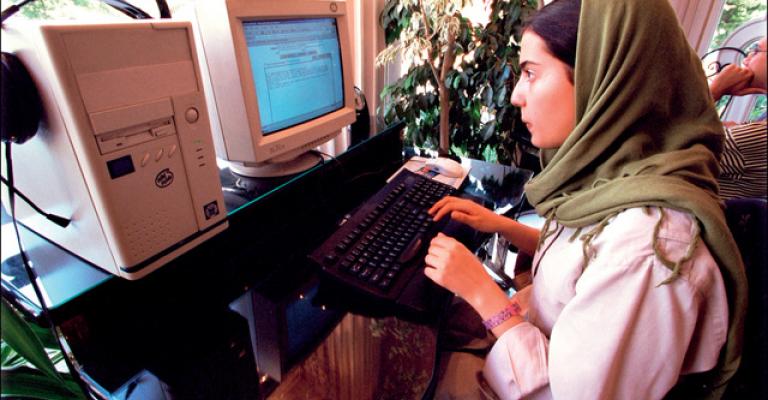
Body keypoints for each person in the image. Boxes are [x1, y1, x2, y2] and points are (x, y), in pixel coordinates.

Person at [424, 0, 747, 399]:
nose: (516, 96)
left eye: (531, 73)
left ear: (600, 79)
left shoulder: (650, 248)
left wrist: (482, 293)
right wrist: (501, 226)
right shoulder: (618, 176)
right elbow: (585, 263)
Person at [709, 37, 767, 199]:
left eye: (756, 50)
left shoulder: (759, 135)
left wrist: (714, 91)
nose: (746, 58)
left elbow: (658, 145)